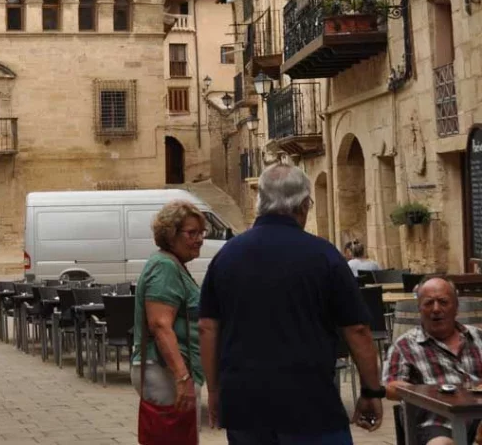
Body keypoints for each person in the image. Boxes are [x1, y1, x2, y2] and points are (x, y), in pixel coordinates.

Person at [199, 163, 385, 444]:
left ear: (260, 201)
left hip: (245, 404)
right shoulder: (325, 256)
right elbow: (357, 330)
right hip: (310, 403)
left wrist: (214, 391)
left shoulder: (226, 256)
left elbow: (207, 328)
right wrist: (371, 392)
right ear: (304, 205)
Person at [131, 200, 205, 439]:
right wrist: (182, 377)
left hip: (169, 371)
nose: (199, 239)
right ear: (171, 235)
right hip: (165, 372)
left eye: (201, 232)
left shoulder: (174, 264)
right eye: (191, 233)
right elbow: (160, 325)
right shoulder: (165, 267)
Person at [384, 277, 482, 445]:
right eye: (429, 303)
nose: (436, 309)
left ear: (456, 307)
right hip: (435, 421)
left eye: (443, 302)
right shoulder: (405, 345)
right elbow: (390, 388)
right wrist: (423, 391)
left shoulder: (478, 337)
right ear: (419, 309)